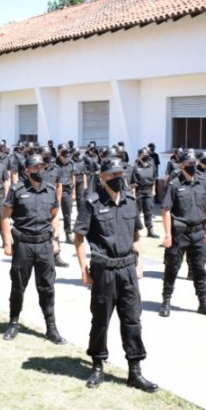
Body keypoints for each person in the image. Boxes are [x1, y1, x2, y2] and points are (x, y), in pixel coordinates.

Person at [73, 157, 158, 392]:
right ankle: (97, 365)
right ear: (102, 177)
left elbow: (136, 234)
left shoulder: (131, 200)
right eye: (113, 174)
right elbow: (79, 238)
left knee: (133, 320)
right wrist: (83, 269)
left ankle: (135, 371)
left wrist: (139, 263)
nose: (118, 178)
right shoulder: (91, 202)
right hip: (104, 270)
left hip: (128, 269)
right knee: (101, 320)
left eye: (121, 173)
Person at [0, 154, 65, 344]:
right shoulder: (17, 190)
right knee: (18, 286)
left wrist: (56, 239)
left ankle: (51, 327)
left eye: (41, 167)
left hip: (44, 244)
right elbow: (5, 216)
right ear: (27, 170)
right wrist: (7, 243)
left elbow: (54, 215)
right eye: (35, 167)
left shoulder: (50, 190)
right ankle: (13, 322)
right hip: (24, 245)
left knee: (47, 287)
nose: (39, 170)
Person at [159, 151, 206, 318]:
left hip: (199, 233)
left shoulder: (203, 182)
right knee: (172, 268)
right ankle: (166, 302)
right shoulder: (174, 184)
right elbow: (166, 210)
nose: (193, 166)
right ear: (181, 165)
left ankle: (203, 303)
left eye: (195, 163)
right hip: (179, 234)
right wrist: (167, 235)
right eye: (189, 164)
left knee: (200, 269)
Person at [130, 148, 158, 238]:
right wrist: (133, 194)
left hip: (149, 191)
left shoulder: (151, 166)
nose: (146, 157)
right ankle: (135, 231)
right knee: (137, 212)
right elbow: (133, 182)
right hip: (139, 191)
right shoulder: (135, 167)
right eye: (143, 156)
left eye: (146, 156)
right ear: (139, 157)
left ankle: (150, 231)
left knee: (148, 211)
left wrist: (154, 190)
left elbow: (154, 179)